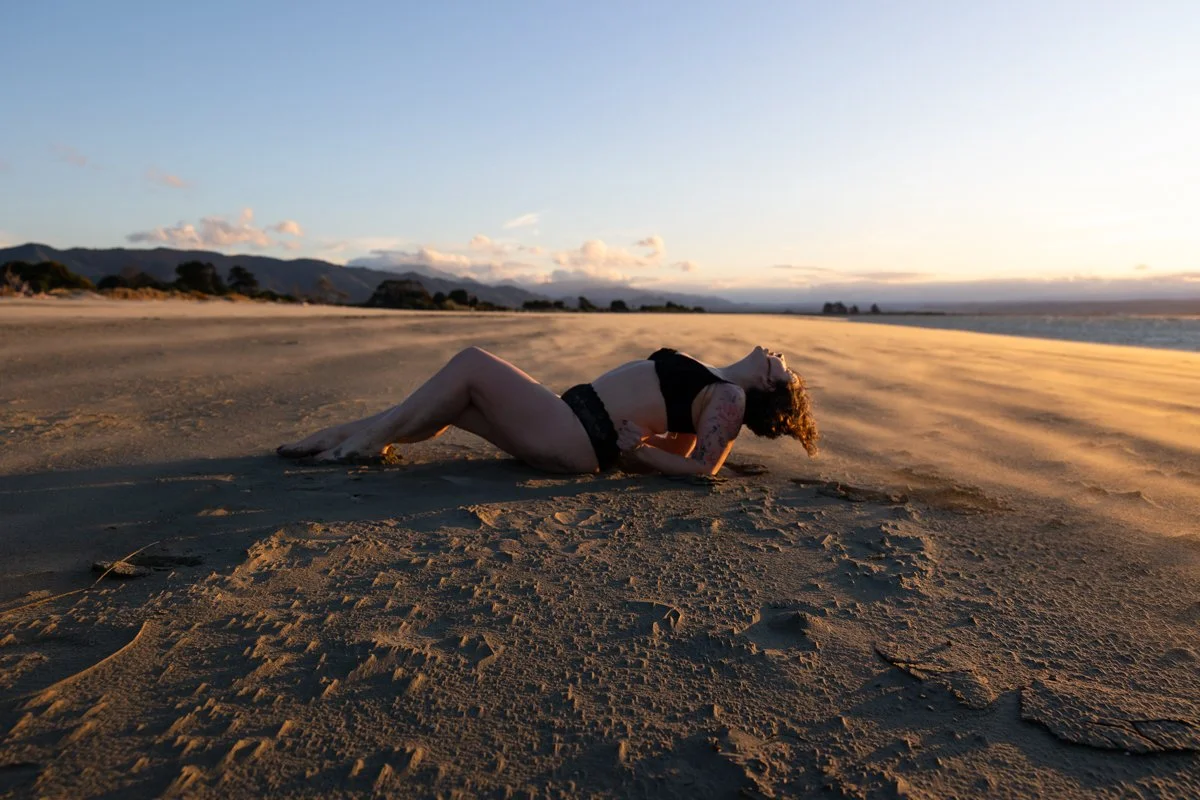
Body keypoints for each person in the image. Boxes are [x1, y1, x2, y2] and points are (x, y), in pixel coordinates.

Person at [277, 345, 818, 476]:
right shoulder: (716, 382)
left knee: (472, 364)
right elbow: (681, 440)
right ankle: (337, 438)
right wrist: (647, 447)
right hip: (568, 419)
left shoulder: (731, 397)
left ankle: (361, 446)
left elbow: (703, 467)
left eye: (785, 364)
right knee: (449, 403)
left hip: (579, 435)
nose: (778, 354)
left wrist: (639, 452)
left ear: (772, 383)